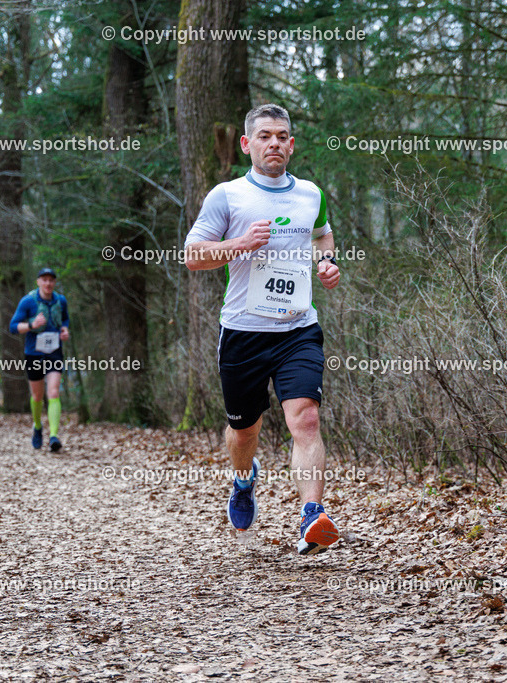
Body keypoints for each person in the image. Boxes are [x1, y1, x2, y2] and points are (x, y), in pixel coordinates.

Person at [184, 103, 342, 555]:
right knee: (244, 431)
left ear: (291, 145)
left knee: (306, 418)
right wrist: (239, 244)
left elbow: (322, 234)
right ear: (247, 144)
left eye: (282, 136)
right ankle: (243, 479)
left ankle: (312, 517)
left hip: (298, 329)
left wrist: (327, 263)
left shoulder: (311, 193)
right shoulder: (227, 195)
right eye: (265, 136)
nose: (274, 143)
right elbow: (194, 256)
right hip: (243, 333)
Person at [8, 268, 70, 452]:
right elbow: (12, 326)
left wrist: (65, 330)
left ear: (54, 283)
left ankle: (53, 436)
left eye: (51, 280)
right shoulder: (28, 301)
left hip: (54, 352)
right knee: (37, 396)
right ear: (38, 282)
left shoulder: (61, 300)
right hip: (34, 353)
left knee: (53, 393)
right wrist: (31, 325)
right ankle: (37, 426)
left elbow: (65, 320)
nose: (48, 283)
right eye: (44, 280)